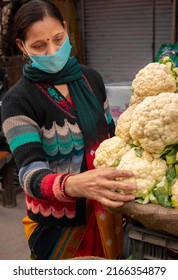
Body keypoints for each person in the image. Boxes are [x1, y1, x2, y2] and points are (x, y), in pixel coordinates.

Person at [1, 0, 137, 260]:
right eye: (39, 46)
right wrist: (76, 185)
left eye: (58, 39)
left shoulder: (92, 80)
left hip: (108, 213)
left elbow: (113, 140)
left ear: (66, 29)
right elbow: (30, 175)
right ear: (22, 46)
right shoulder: (18, 101)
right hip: (56, 228)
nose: (52, 51)